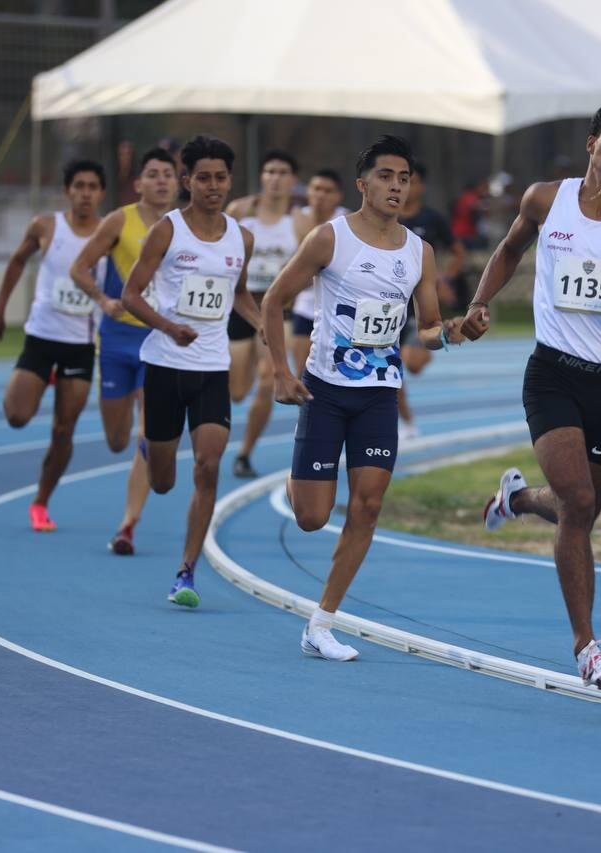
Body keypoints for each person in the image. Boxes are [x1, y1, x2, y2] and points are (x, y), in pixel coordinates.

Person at [461, 100, 601, 689]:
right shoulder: (546, 198)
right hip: (553, 374)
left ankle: (514, 501)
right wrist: (480, 300)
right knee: (579, 505)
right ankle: (587, 647)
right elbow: (511, 248)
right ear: (593, 141)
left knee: (587, 502)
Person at [262, 135, 466, 661]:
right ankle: (300, 473)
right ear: (363, 183)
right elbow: (273, 300)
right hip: (326, 391)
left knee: (369, 505)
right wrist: (281, 373)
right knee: (310, 516)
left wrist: (457, 332)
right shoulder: (330, 239)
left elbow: (425, 330)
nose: (396, 186)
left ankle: (322, 623)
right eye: (386, 176)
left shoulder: (419, 250)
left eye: (404, 178)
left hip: (379, 393)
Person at [121, 135, 260, 608]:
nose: (213, 186)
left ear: (230, 180)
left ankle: (186, 571)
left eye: (221, 177)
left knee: (208, 464)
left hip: (211, 368)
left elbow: (240, 293)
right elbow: (131, 294)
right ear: (187, 181)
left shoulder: (242, 237)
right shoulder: (167, 230)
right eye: (204, 177)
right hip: (164, 364)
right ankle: (151, 447)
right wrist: (168, 325)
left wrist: (264, 325)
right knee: (163, 482)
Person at [0, 160, 107, 532]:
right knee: (17, 416)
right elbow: (17, 260)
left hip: (80, 345)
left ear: (101, 193)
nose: (85, 193)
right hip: (41, 337)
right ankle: (42, 378)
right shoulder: (45, 226)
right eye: (79, 185)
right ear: (67, 191)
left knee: (63, 430)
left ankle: (41, 502)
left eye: (92, 186)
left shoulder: (109, 233)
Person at [70, 147, 179, 554]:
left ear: (178, 181)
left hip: (159, 340)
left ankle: (128, 524)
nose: (161, 181)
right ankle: (128, 514)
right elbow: (79, 267)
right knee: (117, 438)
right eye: (152, 174)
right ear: (139, 184)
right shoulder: (120, 220)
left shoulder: (183, 226)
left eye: (168, 174)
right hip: (117, 340)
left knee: (146, 435)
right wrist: (102, 300)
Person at [225, 150, 301, 479]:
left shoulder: (300, 222)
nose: (275, 178)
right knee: (236, 390)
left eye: (283, 172)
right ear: (261, 176)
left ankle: (244, 452)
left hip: (278, 313)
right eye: (270, 171)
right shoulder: (240, 211)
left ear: (292, 180)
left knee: (269, 379)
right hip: (240, 306)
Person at [397, 161, 466, 439]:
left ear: (421, 186)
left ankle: (432, 342)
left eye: (409, 180)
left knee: (411, 363)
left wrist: (443, 279)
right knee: (392, 367)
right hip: (390, 302)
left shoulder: (432, 219)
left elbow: (458, 253)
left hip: (418, 304)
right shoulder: (386, 217)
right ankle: (407, 422)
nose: (403, 187)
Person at [290, 168, 348, 378]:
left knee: (337, 375)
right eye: (316, 189)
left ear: (338, 195)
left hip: (338, 311)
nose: (320, 195)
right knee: (302, 375)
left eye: (328, 190)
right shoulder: (295, 218)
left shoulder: (347, 222)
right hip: (305, 307)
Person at [451, 176, 490, 249]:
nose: (487, 190)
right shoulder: (469, 196)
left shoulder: (477, 197)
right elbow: (477, 206)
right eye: (485, 187)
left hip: (469, 234)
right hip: (462, 233)